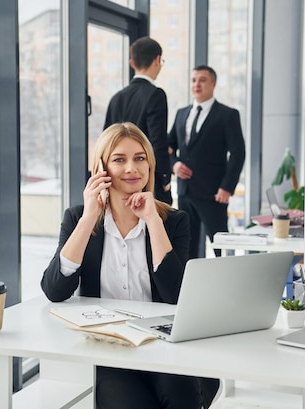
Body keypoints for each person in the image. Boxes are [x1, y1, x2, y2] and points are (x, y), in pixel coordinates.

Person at [41, 122, 219, 409]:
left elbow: (176, 296)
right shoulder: (77, 218)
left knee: (180, 393)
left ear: (150, 165)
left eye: (139, 158)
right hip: (110, 349)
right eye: (119, 159)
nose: (131, 168)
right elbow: (55, 289)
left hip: (161, 345)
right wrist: (89, 218)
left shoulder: (173, 221)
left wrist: (153, 221)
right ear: (101, 168)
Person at [168, 65, 246, 259]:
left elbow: (238, 153)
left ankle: (227, 285)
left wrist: (227, 188)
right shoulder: (181, 113)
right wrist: (174, 164)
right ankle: (191, 287)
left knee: (220, 246)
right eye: (194, 80)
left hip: (214, 194)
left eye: (202, 80)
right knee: (187, 246)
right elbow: (167, 147)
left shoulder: (228, 114)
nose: (197, 84)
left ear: (213, 83)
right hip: (185, 192)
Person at [104, 36, 172, 205]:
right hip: (146, 180)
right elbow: (158, 140)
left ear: (132, 63)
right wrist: (164, 177)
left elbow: (105, 142)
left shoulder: (116, 98)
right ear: (157, 60)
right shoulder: (156, 94)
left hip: (118, 180)